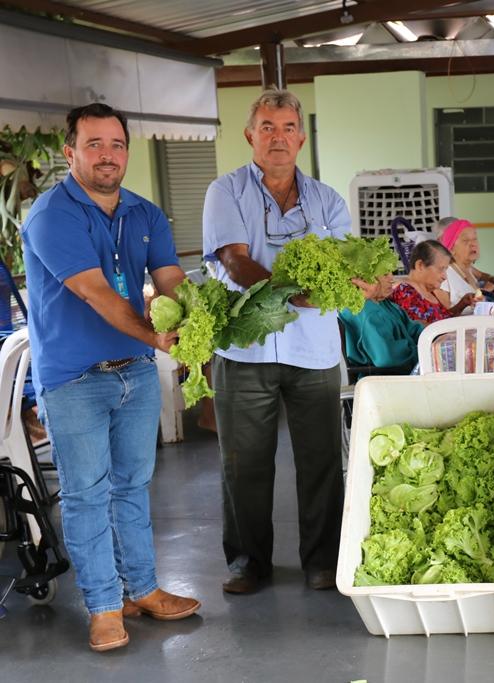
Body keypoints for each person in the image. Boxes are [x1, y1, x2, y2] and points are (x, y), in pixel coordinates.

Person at [22, 103, 200, 652]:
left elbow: (169, 278)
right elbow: (95, 291)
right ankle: (103, 605)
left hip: (136, 375)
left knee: (132, 486)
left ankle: (141, 589)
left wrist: (198, 322)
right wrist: (157, 338)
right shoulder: (53, 214)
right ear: (70, 151)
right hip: (74, 377)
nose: (107, 155)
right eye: (93, 144)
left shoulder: (144, 213)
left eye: (116, 144)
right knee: (84, 495)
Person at [202, 89, 352, 595]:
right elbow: (235, 262)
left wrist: (349, 285)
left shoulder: (328, 200)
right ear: (250, 136)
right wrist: (296, 291)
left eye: (288, 128)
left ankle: (322, 562)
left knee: (322, 462)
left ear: (302, 138)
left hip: (313, 350)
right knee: (243, 464)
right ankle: (248, 563)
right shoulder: (225, 192)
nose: (278, 138)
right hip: (244, 349)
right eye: (267, 127)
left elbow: (341, 270)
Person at [339, 274, 422, 375]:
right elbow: (386, 357)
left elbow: (414, 330)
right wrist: (422, 351)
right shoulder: (365, 311)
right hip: (384, 381)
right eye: (385, 274)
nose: (391, 278)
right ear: (363, 277)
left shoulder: (386, 304)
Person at [391, 240, 473, 324]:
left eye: (445, 270)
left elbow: (444, 319)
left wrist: (463, 303)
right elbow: (420, 330)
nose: (444, 277)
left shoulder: (428, 292)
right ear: (420, 265)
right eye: (441, 269)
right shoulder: (404, 291)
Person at [435, 218, 494, 310]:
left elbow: (483, 276)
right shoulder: (444, 276)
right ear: (451, 249)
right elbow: (445, 316)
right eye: (466, 240)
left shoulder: (467, 268)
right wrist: (483, 292)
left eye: (475, 239)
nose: (473, 244)